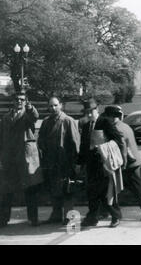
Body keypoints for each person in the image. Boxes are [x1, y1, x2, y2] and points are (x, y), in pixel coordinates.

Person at [78, 99, 125, 228]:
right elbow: (83, 146)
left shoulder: (105, 122)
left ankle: (115, 216)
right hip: (91, 165)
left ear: (97, 109)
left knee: (106, 192)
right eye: (86, 112)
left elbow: (118, 140)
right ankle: (92, 218)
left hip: (104, 164)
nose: (88, 115)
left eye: (91, 112)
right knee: (92, 193)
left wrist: (104, 148)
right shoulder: (86, 126)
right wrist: (80, 162)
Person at [104, 105, 141, 221]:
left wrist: (122, 164)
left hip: (128, 164)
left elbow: (123, 147)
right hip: (135, 161)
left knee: (134, 189)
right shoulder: (125, 126)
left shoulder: (116, 129)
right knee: (136, 188)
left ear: (111, 117)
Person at [0, 93, 41, 227]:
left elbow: (35, 116)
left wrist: (30, 107)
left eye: (22, 100)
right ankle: (3, 219)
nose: (19, 101)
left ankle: (33, 218)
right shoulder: (5, 117)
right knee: (6, 189)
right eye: (16, 99)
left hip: (25, 157)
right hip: (10, 158)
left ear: (26, 101)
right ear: (12, 101)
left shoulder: (27, 115)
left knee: (30, 189)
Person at [38, 96, 80, 225]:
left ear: (61, 105)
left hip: (65, 162)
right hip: (51, 162)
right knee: (54, 189)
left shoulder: (68, 121)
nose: (53, 108)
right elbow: (41, 139)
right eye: (50, 106)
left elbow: (76, 143)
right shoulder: (46, 121)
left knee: (67, 189)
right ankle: (56, 215)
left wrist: (76, 162)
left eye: (55, 105)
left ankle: (69, 218)